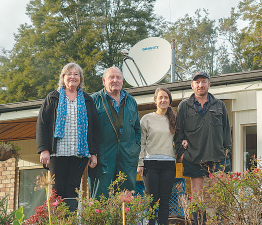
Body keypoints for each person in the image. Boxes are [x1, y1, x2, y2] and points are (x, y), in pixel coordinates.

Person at [36, 63, 100, 206]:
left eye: (76, 74)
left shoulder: (88, 100)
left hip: (80, 154)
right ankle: (57, 220)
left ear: (80, 78)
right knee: (56, 190)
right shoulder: (53, 98)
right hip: (56, 153)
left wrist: (93, 153)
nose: (73, 76)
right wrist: (44, 150)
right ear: (63, 77)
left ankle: (70, 220)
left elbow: (95, 128)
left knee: (73, 189)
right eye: (69, 73)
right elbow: (42, 124)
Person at [174, 71, 232, 224]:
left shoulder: (219, 105)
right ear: (192, 85)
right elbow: (178, 134)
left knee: (219, 196)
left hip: (218, 157)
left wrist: (227, 152)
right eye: (197, 82)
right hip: (194, 158)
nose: (201, 85)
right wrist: (182, 155)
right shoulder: (184, 107)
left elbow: (227, 131)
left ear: (209, 84)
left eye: (204, 81)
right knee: (197, 197)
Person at [88, 66, 141, 199]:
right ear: (104, 80)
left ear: (122, 80)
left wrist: (135, 148)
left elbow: (137, 129)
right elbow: (87, 130)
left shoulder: (131, 101)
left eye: (118, 77)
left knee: (127, 197)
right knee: (100, 197)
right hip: (102, 157)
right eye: (111, 77)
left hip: (127, 156)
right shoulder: (94, 100)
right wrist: (92, 153)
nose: (115, 80)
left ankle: (125, 220)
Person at [137, 87, 177, 225]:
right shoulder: (147, 119)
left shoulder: (174, 119)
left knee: (165, 200)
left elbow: (179, 139)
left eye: (166, 97)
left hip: (169, 164)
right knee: (152, 200)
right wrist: (140, 162)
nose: (163, 100)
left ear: (169, 100)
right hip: (150, 164)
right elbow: (141, 142)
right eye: (160, 97)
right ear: (155, 100)